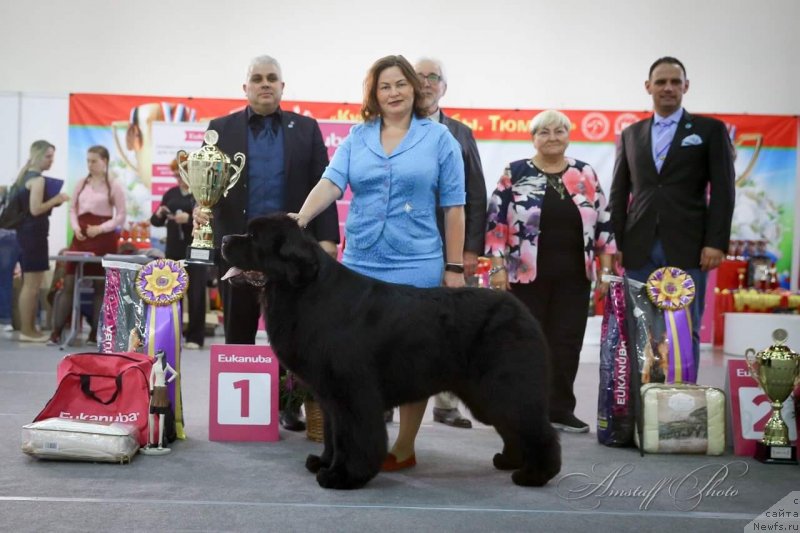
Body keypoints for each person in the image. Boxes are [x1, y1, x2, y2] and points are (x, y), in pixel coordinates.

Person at [290, 54, 466, 470]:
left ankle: (403, 446)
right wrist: (300, 218)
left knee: (413, 358)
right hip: (361, 263)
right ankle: (358, 441)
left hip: (418, 262)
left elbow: (455, 207)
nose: (393, 93)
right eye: (384, 86)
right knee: (353, 359)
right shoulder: (357, 137)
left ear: (415, 88)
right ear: (374, 93)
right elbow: (331, 183)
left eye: (400, 84)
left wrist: (454, 267)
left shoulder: (440, 139)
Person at [193, 55, 340, 431]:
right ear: (245, 88)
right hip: (240, 251)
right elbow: (206, 187)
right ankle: (237, 410)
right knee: (239, 328)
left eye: (272, 78)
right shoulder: (219, 129)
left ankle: (288, 403)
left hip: (291, 256)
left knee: (293, 333)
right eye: (257, 78)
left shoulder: (306, 130)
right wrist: (201, 208)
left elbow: (323, 185)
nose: (265, 84)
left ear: (282, 86)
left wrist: (326, 240)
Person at [485, 109, 615, 433]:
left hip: (575, 277)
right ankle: (523, 410)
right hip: (524, 277)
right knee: (526, 343)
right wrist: (497, 267)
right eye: (544, 132)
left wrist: (608, 270)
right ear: (533, 138)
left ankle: (560, 410)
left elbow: (604, 223)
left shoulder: (585, 174)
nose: (553, 138)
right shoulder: (514, 172)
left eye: (559, 131)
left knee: (567, 343)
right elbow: (495, 223)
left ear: (569, 136)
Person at [609, 56, 735, 370]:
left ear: (686, 87)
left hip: (690, 246)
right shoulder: (631, 134)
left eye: (675, 82)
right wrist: (616, 245)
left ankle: (682, 403)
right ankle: (640, 403)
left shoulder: (709, 130)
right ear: (648, 86)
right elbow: (618, 192)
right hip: (638, 247)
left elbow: (723, 190)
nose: (668, 88)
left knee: (684, 327)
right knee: (639, 327)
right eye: (661, 82)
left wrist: (716, 242)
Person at [414, 57, 486, 429]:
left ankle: (445, 403)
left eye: (433, 77)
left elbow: (475, 192)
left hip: (449, 249)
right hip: (404, 248)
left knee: (450, 326)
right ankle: (383, 402)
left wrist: (469, 250)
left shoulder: (460, 133)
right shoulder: (393, 127)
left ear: (444, 87)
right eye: (420, 76)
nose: (426, 83)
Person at [49, 145, 126, 346]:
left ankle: (95, 332)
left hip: (103, 238)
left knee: (100, 286)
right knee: (68, 282)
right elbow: (72, 209)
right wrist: (75, 228)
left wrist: (100, 229)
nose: (90, 165)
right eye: (88, 161)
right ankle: (56, 332)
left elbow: (121, 216)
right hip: (81, 237)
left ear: (105, 162)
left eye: (94, 161)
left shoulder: (114, 185)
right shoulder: (81, 183)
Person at [13, 140, 70, 341]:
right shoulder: (37, 180)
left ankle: (28, 328)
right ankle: (27, 330)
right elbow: (36, 209)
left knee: (31, 284)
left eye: (52, 156)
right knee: (32, 285)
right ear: (37, 156)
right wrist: (57, 200)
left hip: (26, 235)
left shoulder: (24, 176)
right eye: (48, 156)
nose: (51, 161)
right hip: (33, 235)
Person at [151, 159, 207, 349]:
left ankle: (195, 337)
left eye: (181, 174)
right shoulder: (170, 193)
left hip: (197, 250)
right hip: (173, 250)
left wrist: (190, 218)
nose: (178, 179)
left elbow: (210, 220)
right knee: (173, 293)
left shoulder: (201, 193)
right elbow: (155, 222)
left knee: (197, 293)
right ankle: (172, 334)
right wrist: (159, 214)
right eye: (175, 175)